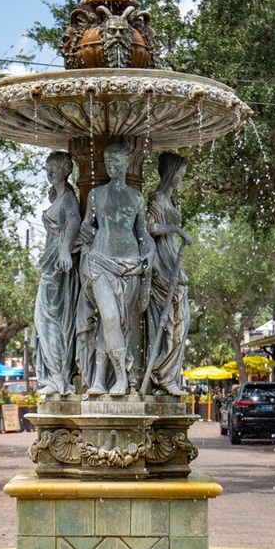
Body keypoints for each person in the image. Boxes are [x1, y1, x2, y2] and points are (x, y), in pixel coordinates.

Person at [76, 141, 153, 396]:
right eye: (108, 162)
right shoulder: (97, 195)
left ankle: (99, 379)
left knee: (117, 324)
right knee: (109, 317)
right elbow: (87, 226)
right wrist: (77, 239)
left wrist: (150, 249)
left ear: (127, 163)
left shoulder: (136, 197)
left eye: (117, 162)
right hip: (100, 261)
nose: (112, 167)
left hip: (130, 265)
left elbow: (141, 231)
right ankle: (121, 377)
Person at [142, 151, 194, 396]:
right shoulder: (157, 197)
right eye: (180, 173)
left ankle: (169, 374)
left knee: (182, 322)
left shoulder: (171, 200)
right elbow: (150, 227)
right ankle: (161, 375)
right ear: (170, 173)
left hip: (173, 260)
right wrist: (176, 229)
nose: (182, 178)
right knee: (169, 323)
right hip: (162, 264)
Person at [32, 151, 82, 396]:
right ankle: (56, 376)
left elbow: (74, 222)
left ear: (66, 169)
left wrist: (64, 250)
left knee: (53, 320)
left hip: (59, 264)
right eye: (47, 167)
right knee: (45, 320)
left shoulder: (69, 199)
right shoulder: (59, 198)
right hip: (50, 264)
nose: (49, 172)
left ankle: (59, 377)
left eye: (53, 167)